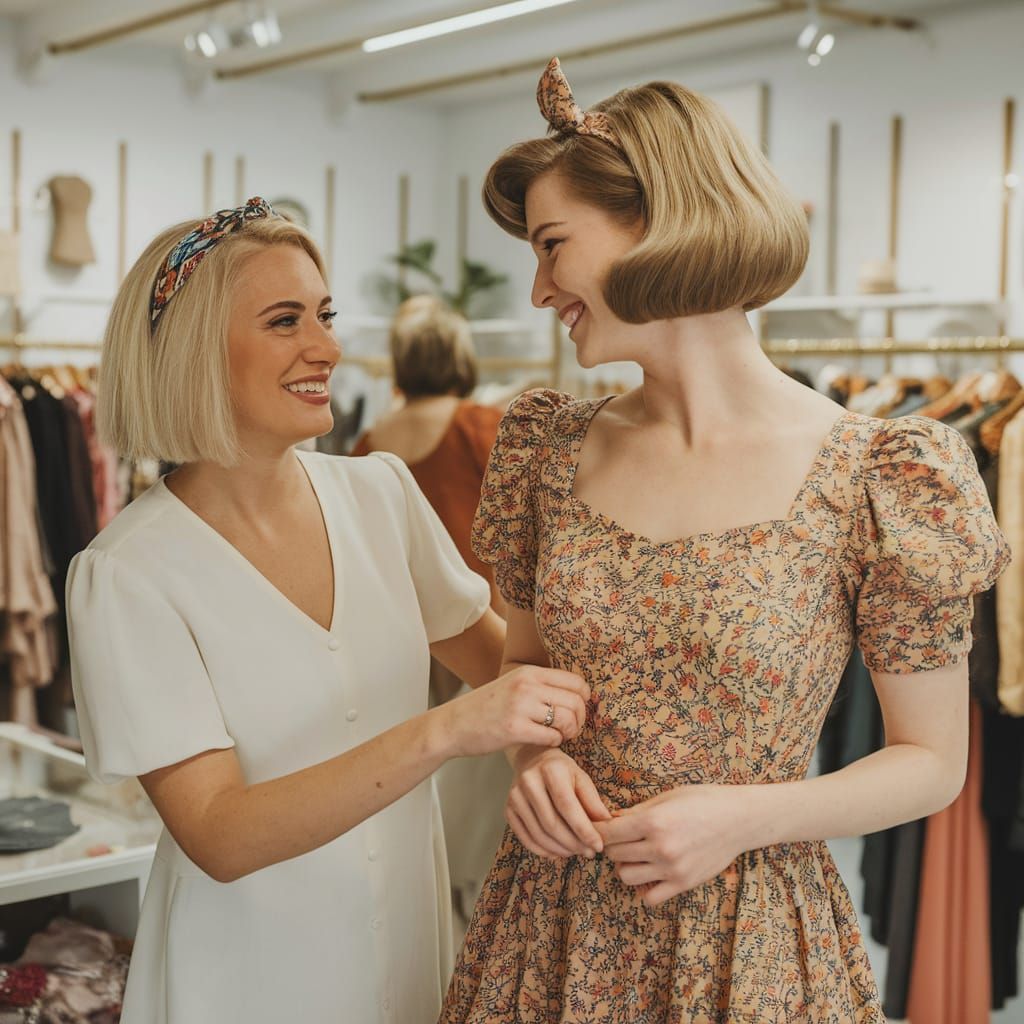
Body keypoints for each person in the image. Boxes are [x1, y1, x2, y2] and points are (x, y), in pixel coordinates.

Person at [441, 59, 1011, 1022]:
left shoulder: (879, 474)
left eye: (551, 246)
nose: (539, 289)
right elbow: (526, 684)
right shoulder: (549, 449)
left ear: (657, 223)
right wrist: (537, 769)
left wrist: (742, 817)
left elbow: (931, 760)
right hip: (550, 924)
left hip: (750, 936)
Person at [65, 198, 589, 1024]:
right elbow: (220, 833)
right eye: (284, 321)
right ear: (198, 352)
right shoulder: (126, 574)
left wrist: (562, 751)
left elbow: (502, 666)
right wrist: (450, 730)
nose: (328, 348)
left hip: (409, 954)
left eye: (325, 314)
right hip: (244, 977)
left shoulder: (379, 494)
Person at [352, 296, 512, 927]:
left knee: (418, 774)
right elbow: (513, 532)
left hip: (399, 633)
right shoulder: (481, 425)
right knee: (478, 786)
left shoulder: (370, 442)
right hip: (476, 627)